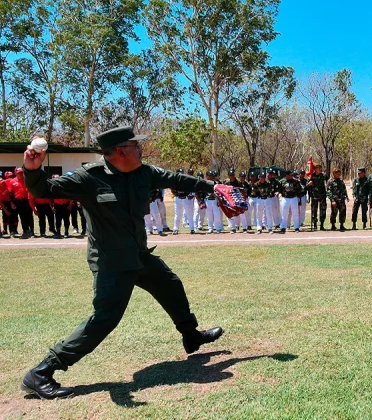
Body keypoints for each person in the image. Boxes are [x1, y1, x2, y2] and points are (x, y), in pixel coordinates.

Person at [20, 126, 224, 400]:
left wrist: (214, 186)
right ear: (121, 152)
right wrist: (33, 170)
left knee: (170, 285)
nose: (141, 149)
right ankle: (42, 372)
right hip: (111, 262)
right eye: (135, 145)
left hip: (138, 255)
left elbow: (177, 179)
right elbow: (44, 190)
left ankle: (191, 335)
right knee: (104, 319)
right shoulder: (89, 178)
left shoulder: (145, 173)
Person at [11, 168, 35, 238]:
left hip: (27, 200)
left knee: (29, 216)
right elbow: (11, 193)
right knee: (22, 216)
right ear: (16, 173)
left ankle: (31, 231)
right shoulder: (13, 181)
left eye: (22, 173)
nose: (21, 174)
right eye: (19, 173)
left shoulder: (27, 180)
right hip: (18, 201)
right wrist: (12, 203)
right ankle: (25, 230)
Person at [171, 169, 195, 235]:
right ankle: (176, 229)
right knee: (177, 215)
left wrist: (187, 194)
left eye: (181, 173)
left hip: (185, 198)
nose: (180, 174)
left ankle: (192, 229)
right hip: (178, 199)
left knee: (189, 214)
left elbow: (190, 188)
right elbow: (172, 189)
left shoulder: (185, 180)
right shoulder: (174, 181)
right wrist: (176, 194)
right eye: (179, 173)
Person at [308, 165, 328, 231]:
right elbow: (308, 187)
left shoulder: (324, 176)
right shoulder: (311, 176)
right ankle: (315, 225)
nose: (319, 169)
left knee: (323, 210)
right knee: (314, 211)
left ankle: (322, 224)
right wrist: (309, 184)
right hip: (314, 196)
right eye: (317, 168)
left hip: (322, 196)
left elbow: (329, 182)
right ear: (315, 169)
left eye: (320, 168)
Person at [223, 169, 243, 233]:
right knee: (230, 213)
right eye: (230, 175)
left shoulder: (238, 182)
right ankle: (233, 227)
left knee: (237, 213)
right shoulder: (226, 182)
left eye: (233, 175)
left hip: (237, 199)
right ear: (228, 176)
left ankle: (237, 225)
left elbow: (241, 191)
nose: (232, 176)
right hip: (229, 199)